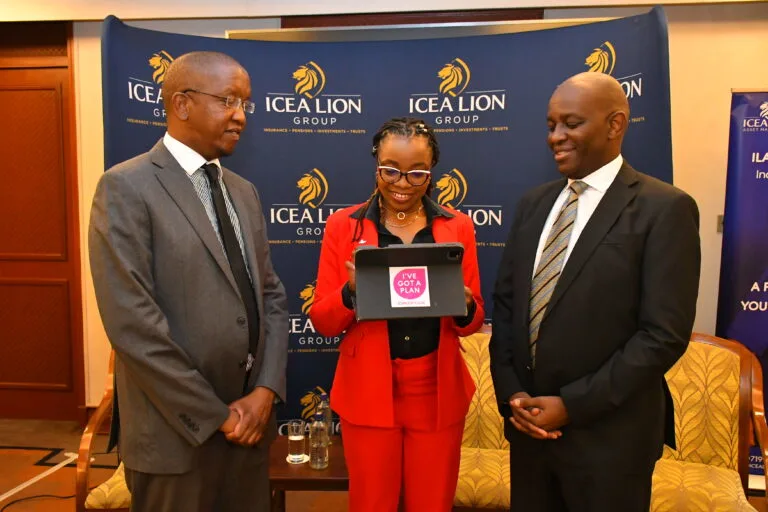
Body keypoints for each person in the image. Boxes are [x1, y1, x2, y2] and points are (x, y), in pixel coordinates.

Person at [489, 72, 701, 512]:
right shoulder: (533, 204)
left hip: (611, 443)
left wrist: (572, 404)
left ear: (615, 124)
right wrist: (513, 396)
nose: (556, 137)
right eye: (551, 125)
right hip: (530, 435)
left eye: (571, 123)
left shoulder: (665, 208)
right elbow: (507, 307)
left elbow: (662, 335)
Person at [89, 51, 288, 512]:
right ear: (181, 103)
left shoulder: (244, 192)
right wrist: (216, 416)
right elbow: (133, 325)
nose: (241, 116)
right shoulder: (126, 187)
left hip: (249, 433)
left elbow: (272, 297)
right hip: (174, 438)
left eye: (245, 103)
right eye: (228, 100)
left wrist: (263, 393)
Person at [310, 117, 485, 512]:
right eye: (390, 170)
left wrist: (466, 306)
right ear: (376, 165)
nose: (402, 183)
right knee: (372, 503)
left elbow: (472, 323)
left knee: (432, 503)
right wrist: (350, 292)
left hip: (436, 392)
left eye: (416, 173)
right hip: (367, 390)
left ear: (432, 172)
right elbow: (323, 321)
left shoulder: (457, 227)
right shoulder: (343, 226)